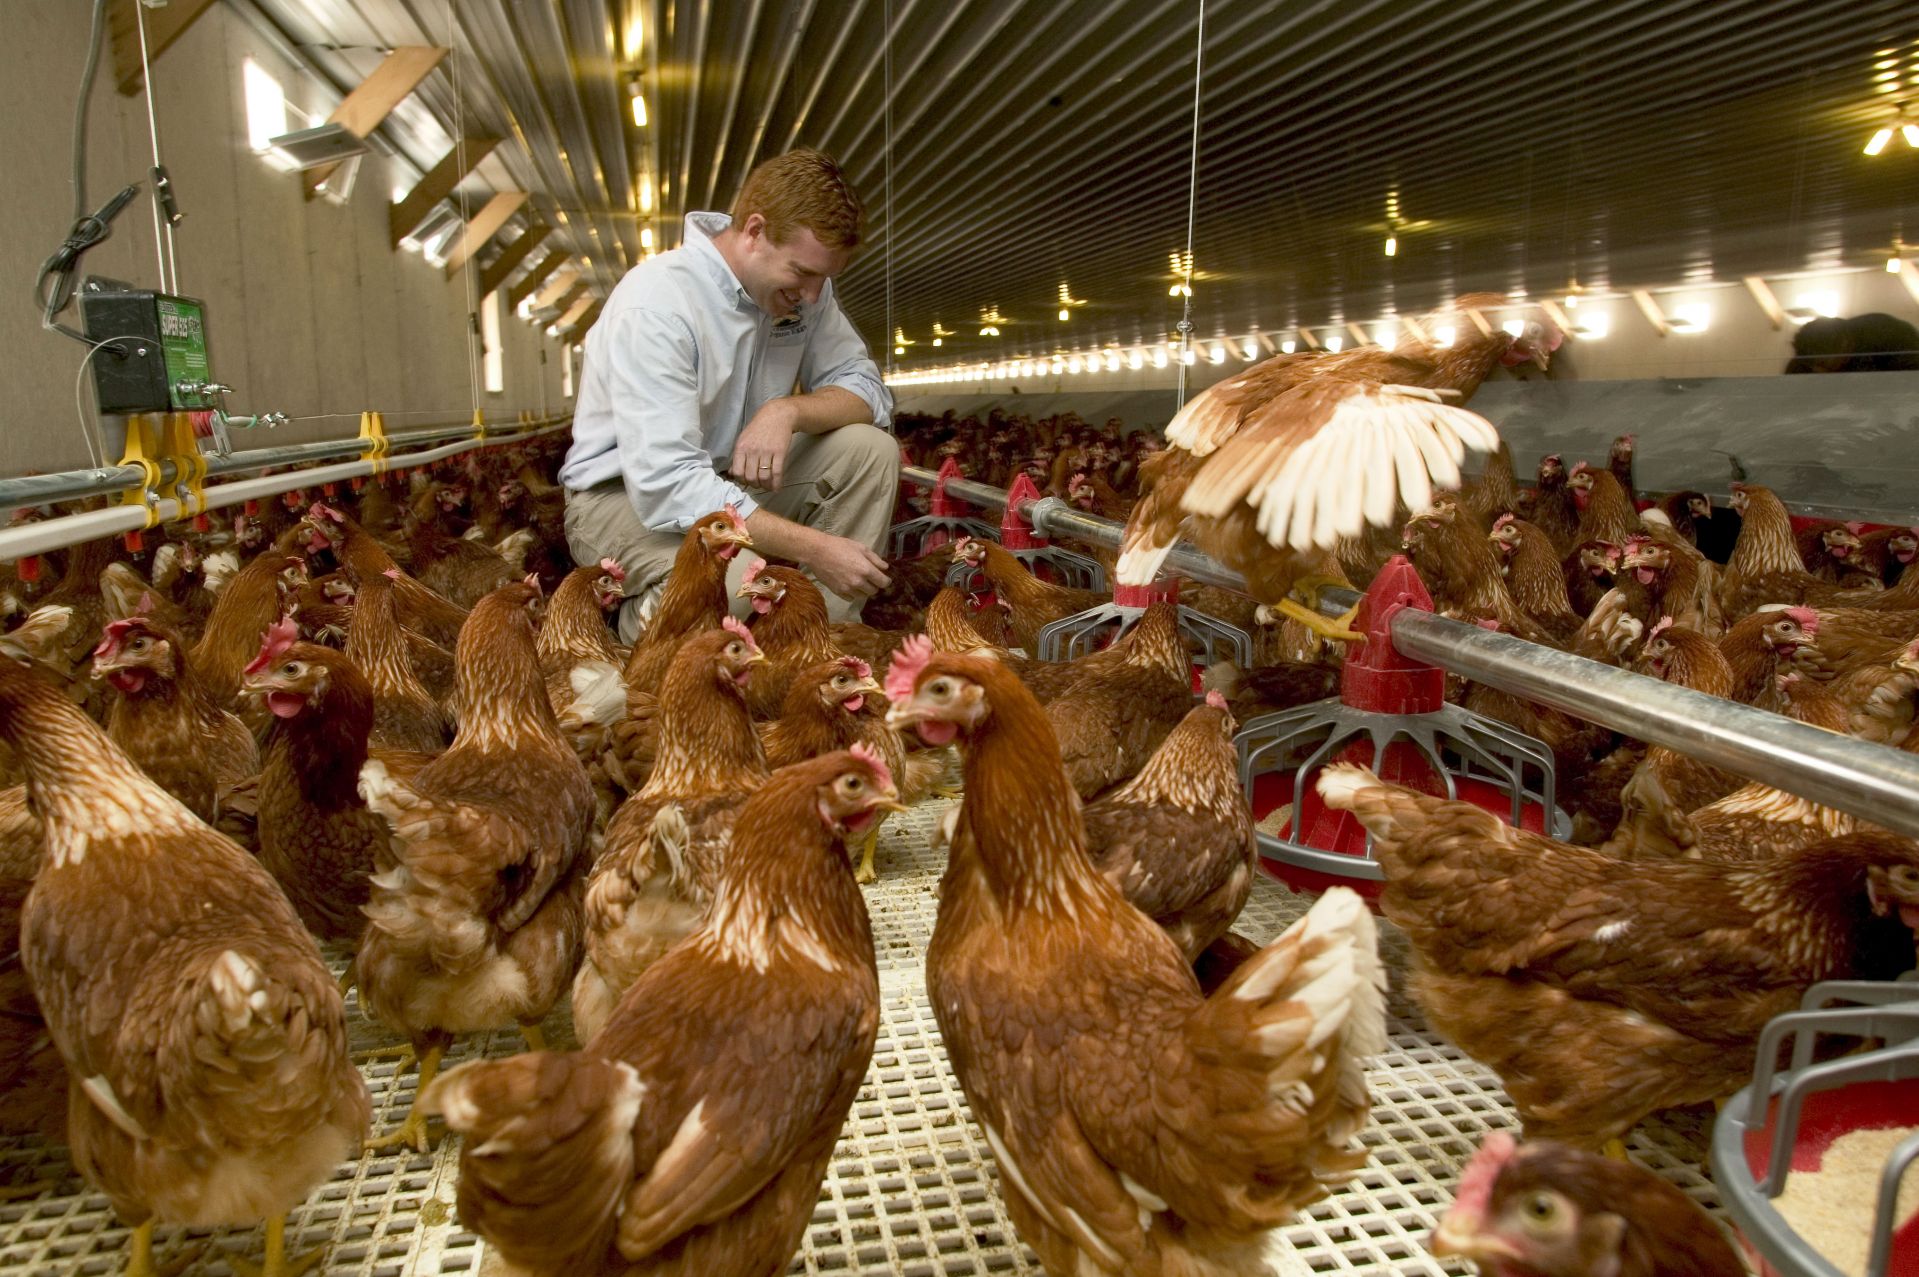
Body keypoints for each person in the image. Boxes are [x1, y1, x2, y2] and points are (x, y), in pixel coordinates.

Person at [559, 149, 898, 641]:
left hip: (729, 483)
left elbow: (868, 389)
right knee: (736, 580)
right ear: (755, 232)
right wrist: (817, 548)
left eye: (824, 278)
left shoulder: (806, 293)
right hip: (623, 498)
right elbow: (668, 484)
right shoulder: (658, 305)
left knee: (870, 450)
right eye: (802, 273)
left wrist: (788, 410)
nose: (812, 294)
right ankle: (630, 631)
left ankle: (815, 646)